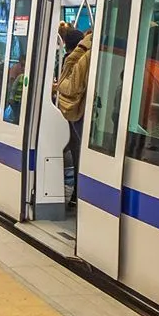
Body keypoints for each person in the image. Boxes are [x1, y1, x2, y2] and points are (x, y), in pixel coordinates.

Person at [53, 26, 91, 207]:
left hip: (69, 112)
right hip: (78, 114)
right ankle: (75, 194)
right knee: (76, 155)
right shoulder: (85, 58)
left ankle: (70, 194)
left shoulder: (68, 60)